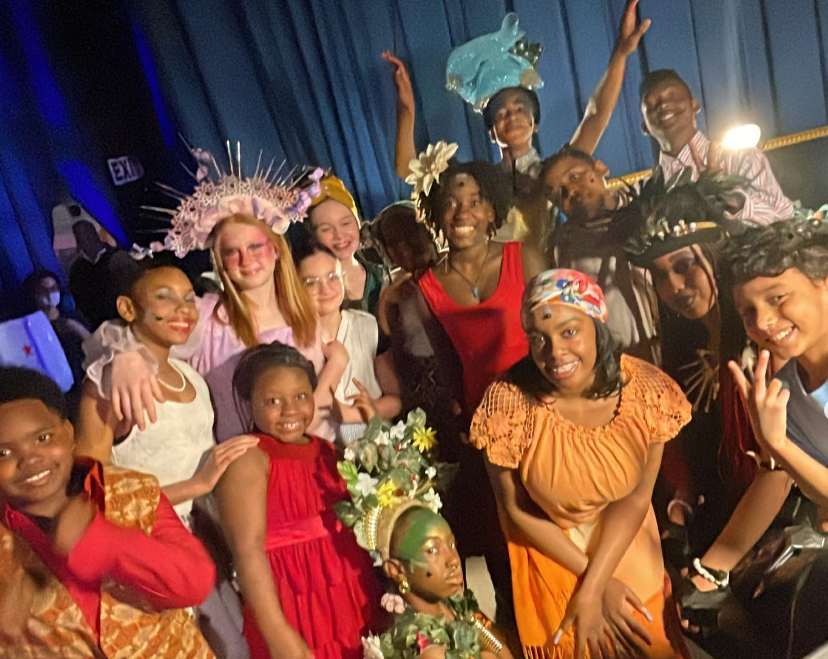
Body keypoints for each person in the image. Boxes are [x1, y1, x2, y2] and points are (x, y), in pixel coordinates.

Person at [470, 269, 691, 659]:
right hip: (552, 552)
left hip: (626, 545)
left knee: (647, 642)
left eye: (570, 332)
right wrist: (592, 586)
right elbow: (515, 510)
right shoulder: (508, 405)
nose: (554, 352)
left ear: (596, 325)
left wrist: (596, 585)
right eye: (539, 338)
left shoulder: (645, 391)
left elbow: (638, 498)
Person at [0, 366, 215, 657]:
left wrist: (107, 543)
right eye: (4, 453)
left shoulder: (133, 490)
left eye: (43, 438)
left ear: (69, 432)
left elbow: (194, 582)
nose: (30, 459)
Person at [216, 342, 384, 659]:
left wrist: (368, 428)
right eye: (272, 400)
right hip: (292, 605)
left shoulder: (327, 451)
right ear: (249, 404)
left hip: (348, 594)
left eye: (301, 396)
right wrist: (278, 633)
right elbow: (247, 551)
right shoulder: (248, 459)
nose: (290, 409)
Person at [386, 0, 650, 181]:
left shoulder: (554, 171)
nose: (511, 116)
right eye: (501, 114)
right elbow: (406, 168)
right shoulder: (479, 183)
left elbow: (596, 116)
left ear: (535, 123)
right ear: (492, 132)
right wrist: (406, 110)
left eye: (520, 109)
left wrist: (621, 54)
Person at [334, 408, 513, 659]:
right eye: (432, 550)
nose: (452, 561)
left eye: (451, 545)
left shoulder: (455, 606)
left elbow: (501, 650)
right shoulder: (425, 645)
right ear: (397, 570)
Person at [726, 216, 828, 506]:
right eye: (747, 311)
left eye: (777, 298)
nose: (763, 322)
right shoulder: (783, 395)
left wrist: (780, 444)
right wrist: (777, 445)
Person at [540, 146, 661, 364]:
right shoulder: (561, 248)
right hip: (621, 367)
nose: (572, 192)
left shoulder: (650, 211)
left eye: (575, 177)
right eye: (559, 192)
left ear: (600, 168)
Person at [639, 69, 794, 225]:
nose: (664, 105)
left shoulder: (742, 158)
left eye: (673, 97)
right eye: (652, 104)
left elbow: (782, 217)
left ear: (695, 105)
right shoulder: (645, 192)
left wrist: (734, 200)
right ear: (645, 126)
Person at [295, 245, 402, 440]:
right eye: (311, 282)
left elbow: (395, 400)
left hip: (376, 440)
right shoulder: (292, 341)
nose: (325, 288)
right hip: (321, 444)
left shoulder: (368, 326)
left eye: (332, 277)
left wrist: (363, 411)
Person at [308, 175, 385, 316]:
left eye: (345, 223)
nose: (339, 235)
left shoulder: (382, 276)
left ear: (358, 224)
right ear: (313, 237)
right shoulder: (314, 294)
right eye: (326, 229)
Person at [22, 268, 90, 394]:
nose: (50, 293)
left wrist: (76, 328)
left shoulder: (74, 318)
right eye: (43, 290)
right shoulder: (30, 329)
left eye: (54, 288)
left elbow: (96, 346)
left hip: (85, 382)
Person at [68, 219, 120, 329]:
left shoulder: (116, 257)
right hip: (96, 326)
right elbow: (78, 299)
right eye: (80, 237)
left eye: (88, 235)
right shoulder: (77, 269)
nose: (86, 240)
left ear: (96, 235)